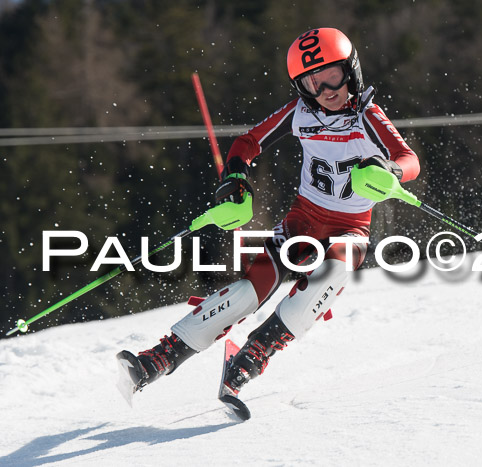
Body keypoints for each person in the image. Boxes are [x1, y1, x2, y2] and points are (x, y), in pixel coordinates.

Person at [117, 27, 420, 401]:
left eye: (333, 77)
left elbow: (410, 160)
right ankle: (156, 360)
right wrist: (237, 178)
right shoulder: (299, 112)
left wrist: (391, 171)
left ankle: (254, 355)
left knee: (332, 272)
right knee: (248, 291)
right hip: (300, 222)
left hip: (350, 229)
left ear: (351, 71)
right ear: (301, 88)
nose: (327, 91)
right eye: (313, 83)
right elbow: (247, 143)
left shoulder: (369, 116)